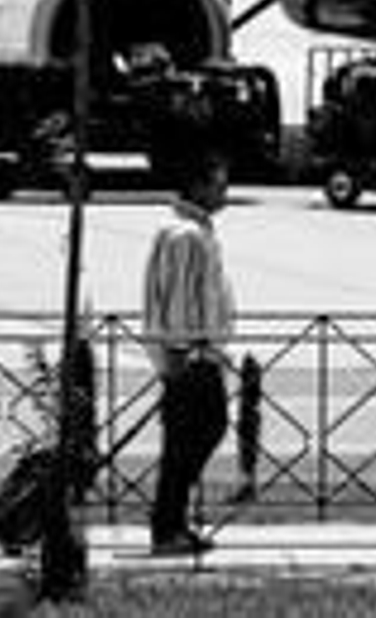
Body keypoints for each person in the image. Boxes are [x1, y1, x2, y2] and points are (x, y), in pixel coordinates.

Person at [142, 142, 235, 557]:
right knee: (195, 436)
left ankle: (171, 524)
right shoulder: (186, 235)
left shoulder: (193, 232)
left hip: (199, 352)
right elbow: (178, 297)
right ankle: (167, 526)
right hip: (191, 357)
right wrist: (182, 350)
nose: (225, 193)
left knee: (188, 440)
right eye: (219, 184)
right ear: (198, 186)